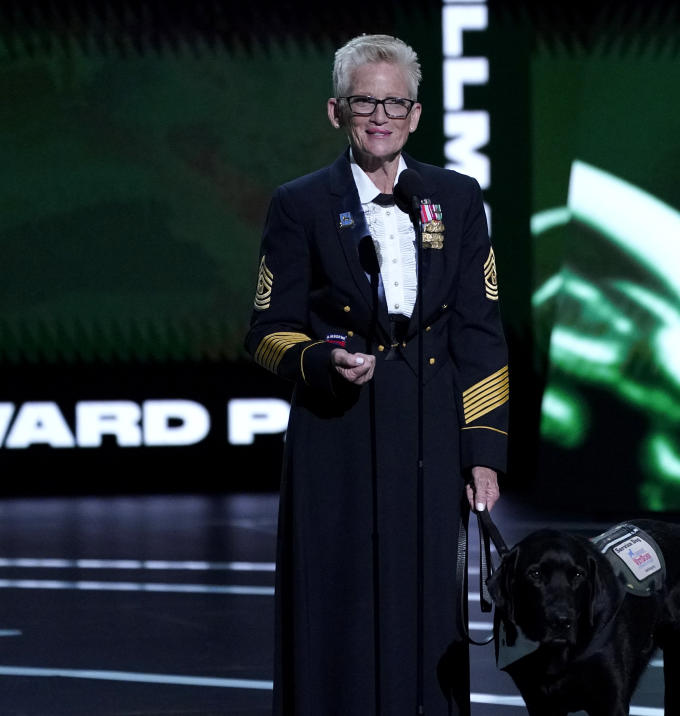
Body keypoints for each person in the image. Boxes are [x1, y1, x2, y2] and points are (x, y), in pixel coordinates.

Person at [245, 34, 509, 715]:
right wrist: (319, 362)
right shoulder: (299, 203)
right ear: (338, 111)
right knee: (337, 604)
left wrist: (483, 452)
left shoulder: (455, 197)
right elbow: (266, 332)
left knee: (427, 609)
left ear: (417, 115)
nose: (382, 115)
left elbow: (480, 331)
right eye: (367, 100)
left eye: (396, 102)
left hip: (429, 433)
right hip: (337, 433)